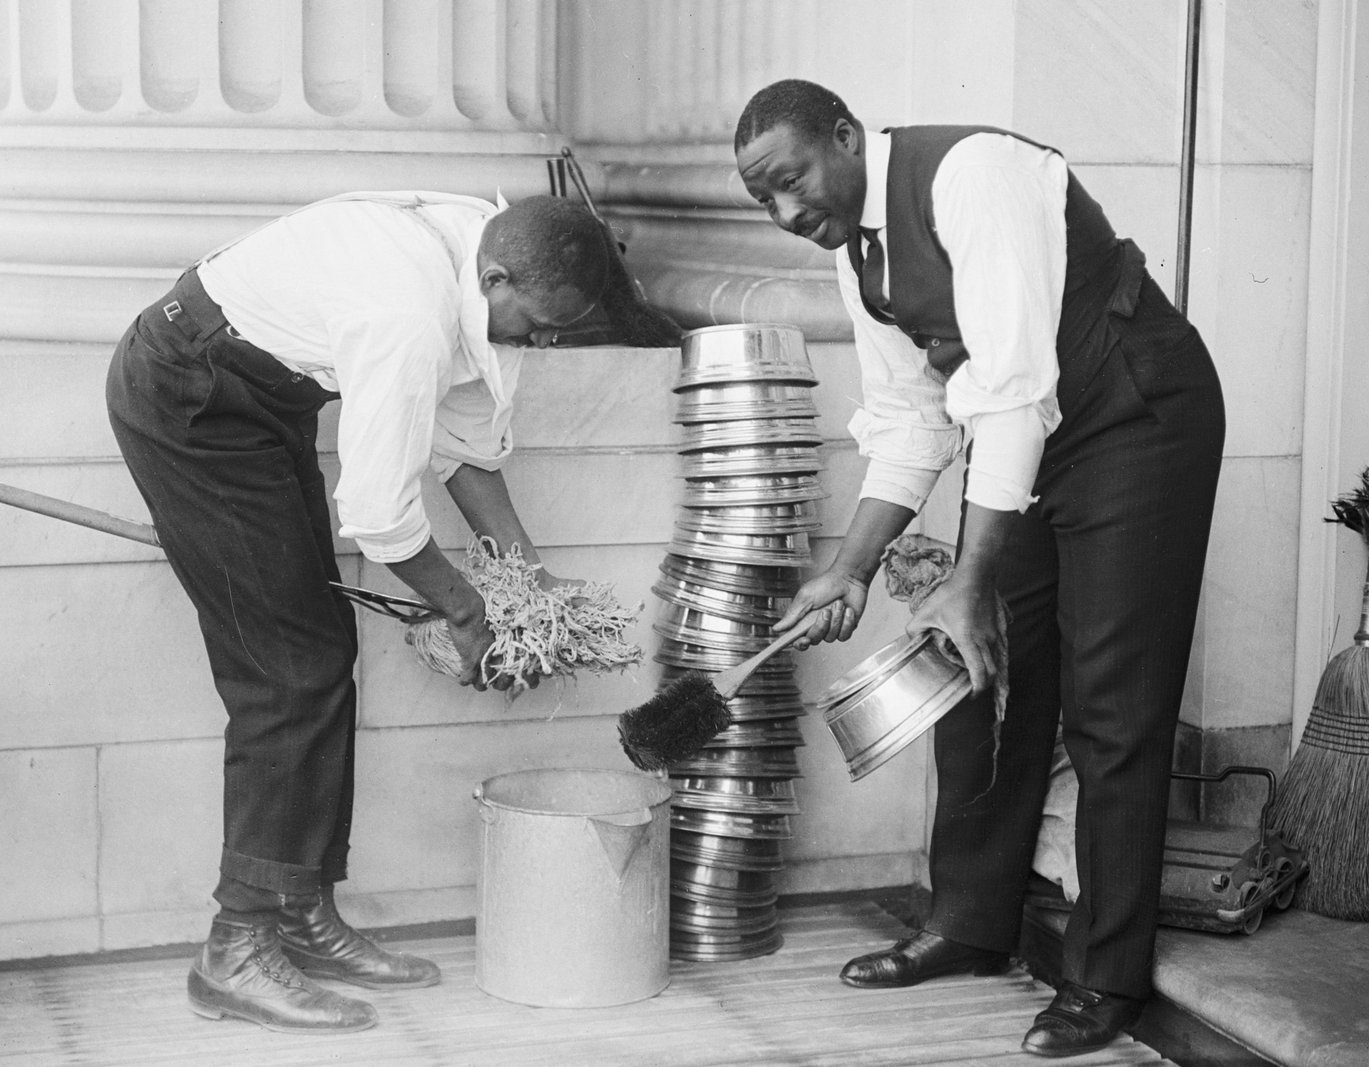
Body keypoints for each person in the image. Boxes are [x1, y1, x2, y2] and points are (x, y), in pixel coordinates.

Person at [735, 80, 1225, 1058]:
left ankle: (1106, 974)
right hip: (1034, 434)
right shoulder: (857, 254)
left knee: (1109, 704)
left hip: (1135, 414)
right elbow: (915, 419)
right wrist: (852, 567)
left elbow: (1007, 391)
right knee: (980, 667)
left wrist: (968, 571)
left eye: (791, 180)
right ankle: (968, 918)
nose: (788, 212)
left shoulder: (973, 176)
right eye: (766, 201)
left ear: (844, 137)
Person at [105, 191, 633, 1034]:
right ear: (496, 275)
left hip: (259, 397)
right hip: (190, 395)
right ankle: (236, 946)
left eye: (555, 331)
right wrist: (464, 610)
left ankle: (301, 915)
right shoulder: (408, 314)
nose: (540, 341)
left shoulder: (486, 266)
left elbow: (460, 447)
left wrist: (529, 577)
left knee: (320, 651)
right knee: (289, 670)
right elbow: (381, 517)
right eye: (536, 324)